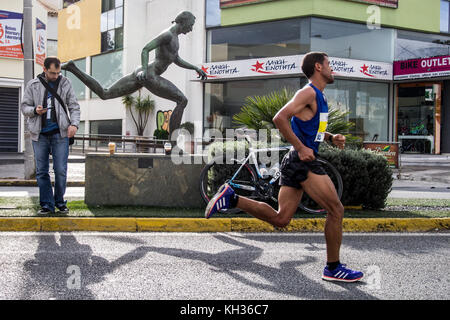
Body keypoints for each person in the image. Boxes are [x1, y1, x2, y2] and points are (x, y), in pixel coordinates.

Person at [205, 52, 364, 283]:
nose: (333, 68)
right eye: (329, 64)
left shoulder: (318, 96)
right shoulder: (308, 92)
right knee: (336, 210)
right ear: (318, 67)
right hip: (302, 162)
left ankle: (232, 199)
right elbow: (280, 118)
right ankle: (333, 267)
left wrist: (329, 138)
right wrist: (300, 148)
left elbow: (307, 126)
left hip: (295, 161)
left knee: (281, 219)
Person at [61, 11, 207, 134]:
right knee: (182, 100)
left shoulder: (175, 38)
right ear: (184, 21)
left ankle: (73, 68)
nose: (191, 29)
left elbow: (176, 59)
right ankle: (173, 144)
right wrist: (144, 70)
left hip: (145, 73)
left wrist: (195, 68)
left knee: (105, 94)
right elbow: (145, 49)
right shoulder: (168, 35)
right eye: (191, 25)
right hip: (149, 74)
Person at [21, 57, 80, 215]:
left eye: (58, 72)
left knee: (60, 170)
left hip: (60, 133)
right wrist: (35, 110)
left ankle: (60, 202)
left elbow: (74, 106)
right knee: (42, 171)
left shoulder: (65, 83)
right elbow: (24, 107)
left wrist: (74, 124)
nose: (55, 76)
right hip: (39, 134)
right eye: (53, 73)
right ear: (45, 69)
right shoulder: (32, 85)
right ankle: (47, 204)